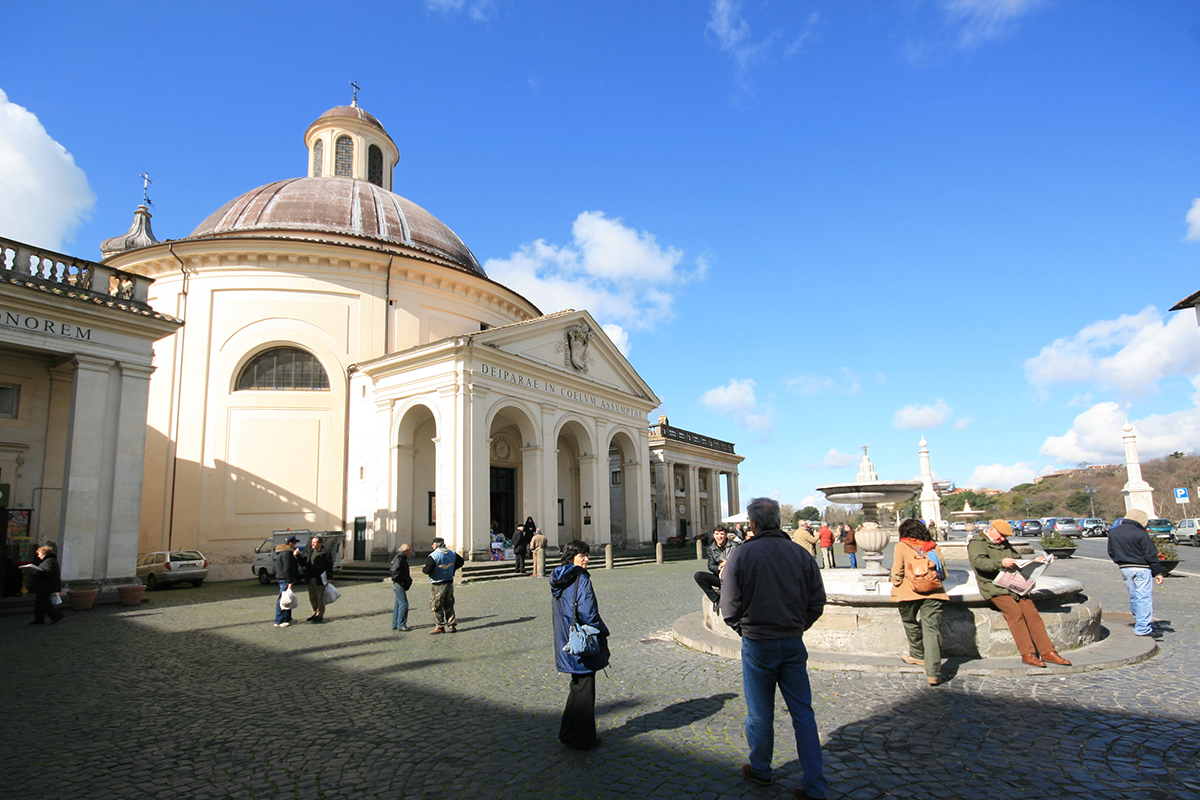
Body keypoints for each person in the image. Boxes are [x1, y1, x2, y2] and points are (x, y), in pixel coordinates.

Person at [721, 498, 827, 799]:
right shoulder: (800, 553)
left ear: (752, 524)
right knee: (803, 714)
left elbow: (729, 607)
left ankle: (761, 769)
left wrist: (744, 628)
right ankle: (816, 786)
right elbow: (817, 601)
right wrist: (797, 626)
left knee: (759, 713)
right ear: (779, 522)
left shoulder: (742, 554)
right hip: (792, 641)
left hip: (757, 643)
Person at [969, 519, 1071, 667]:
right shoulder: (977, 543)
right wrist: (1000, 563)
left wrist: (1034, 561)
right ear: (992, 529)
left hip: (1015, 586)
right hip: (994, 587)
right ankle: (1028, 653)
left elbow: (1017, 559)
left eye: (1005, 537)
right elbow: (979, 564)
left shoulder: (1004, 543)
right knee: (1014, 613)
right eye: (1001, 535)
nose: (1003, 539)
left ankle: (1048, 652)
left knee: (1032, 614)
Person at [550, 539, 610, 750]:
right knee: (585, 690)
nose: (586, 559)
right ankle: (585, 739)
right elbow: (588, 613)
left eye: (587, 555)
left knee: (578, 687)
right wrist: (602, 630)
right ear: (571, 557)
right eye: (582, 555)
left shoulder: (557, 577)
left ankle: (568, 733)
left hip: (565, 640)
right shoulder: (581, 579)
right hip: (581, 641)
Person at [890, 518, 949, 685]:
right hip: (933, 592)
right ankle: (934, 673)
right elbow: (943, 572)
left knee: (909, 621)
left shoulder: (901, 546)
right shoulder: (933, 546)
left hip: (909, 592)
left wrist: (896, 584)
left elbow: (897, 570)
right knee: (932, 631)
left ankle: (917, 654)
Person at [1107, 509, 1165, 638]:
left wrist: (1120, 561)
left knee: (1134, 596)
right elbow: (1150, 554)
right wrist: (1158, 572)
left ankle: (1139, 621)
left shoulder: (1114, 532)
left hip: (1125, 568)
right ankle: (1143, 628)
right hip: (1141, 568)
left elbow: (1111, 551)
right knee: (1143, 597)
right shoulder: (1140, 533)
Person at [423, 536, 464, 633]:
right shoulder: (452, 553)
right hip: (449, 581)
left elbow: (428, 569)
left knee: (436, 605)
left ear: (435, 545)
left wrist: (426, 570)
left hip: (438, 583)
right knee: (449, 604)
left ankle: (440, 626)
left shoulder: (433, 555)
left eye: (432, 544)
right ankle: (451, 624)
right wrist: (452, 569)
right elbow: (461, 561)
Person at [693, 527, 738, 611]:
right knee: (698, 576)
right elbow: (710, 565)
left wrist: (728, 564)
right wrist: (718, 568)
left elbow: (740, 563)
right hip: (719, 577)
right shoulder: (711, 548)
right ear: (714, 535)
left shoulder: (735, 546)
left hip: (732, 578)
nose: (719, 536)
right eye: (717, 534)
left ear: (725, 535)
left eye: (722, 534)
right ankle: (715, 598)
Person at [20, 544, 64, 625]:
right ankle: (39, 619)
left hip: (47, 586)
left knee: (44, 602)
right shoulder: (51, 560)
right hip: (47, 586)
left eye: (39, 554)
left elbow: (48, 572)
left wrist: (36, 572)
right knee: (40, 603)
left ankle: (56, 615)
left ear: (44, 553)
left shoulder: (49, 561)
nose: (38, 556)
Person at [299, 535, 334, 622]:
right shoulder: (309, 552)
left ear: (320, 543)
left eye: (315, 542)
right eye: (312, 543)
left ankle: (319, 614)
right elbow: (303, 562)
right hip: (310, 578)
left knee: (320, 597)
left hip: (320, 578)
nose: (313, 544)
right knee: (312, 597)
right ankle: (314, 612)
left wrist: (329, 577)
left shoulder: (325, 553)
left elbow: (329, 565)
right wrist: (297, 556)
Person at [274, 535, 302, 628]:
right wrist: (290, 581)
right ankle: (279, 620)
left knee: (287, 598)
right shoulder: (286, 553)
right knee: (283, 599)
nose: (295, 545)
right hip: (285, 579)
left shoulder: (282, 553)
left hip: (283, 578)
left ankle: (287, 618)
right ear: (290, 543)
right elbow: (287, 568)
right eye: (294, 543)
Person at [390, 543, 413, 631]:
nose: (410, 553)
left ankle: (395, 624)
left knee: (398, 604)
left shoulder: (399, 558)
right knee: (404, 604)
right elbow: (394, 572)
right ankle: (401, 624)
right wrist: (403, 581)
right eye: (410, 551)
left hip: (398, 583)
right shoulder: (399, 559)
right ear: (405, 551)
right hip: (399, 583)